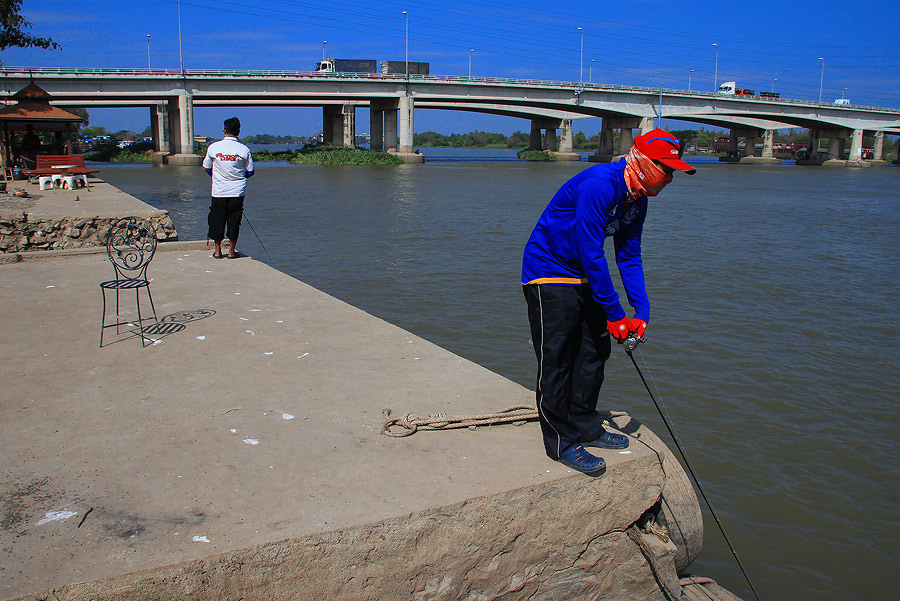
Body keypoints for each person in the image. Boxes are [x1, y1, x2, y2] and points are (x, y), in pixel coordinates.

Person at [521, 128, 695, 474]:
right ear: (642, 161)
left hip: (586, 274)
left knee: (594, 351)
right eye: (666, 168)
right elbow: (591, 252)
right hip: (550, 272)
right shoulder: (600, 185)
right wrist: (615, 313)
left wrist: (640, 311)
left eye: (673, 171)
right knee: (558, 359)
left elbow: (629, 257)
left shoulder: (638, 199)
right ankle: (561, 441)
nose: (670, 178)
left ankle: (585, 422)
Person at [203, 117, 255, 259]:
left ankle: (218, 251)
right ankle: (232, 252)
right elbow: (250, 171)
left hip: (219, 191)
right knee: (234, 220)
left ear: (224, 130)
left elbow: (206, 167)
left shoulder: (213, 147)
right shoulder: (244, 149)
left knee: (217, 219)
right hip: (237, 192)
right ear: (238, 131)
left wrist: (217, 177)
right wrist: (238, 177)